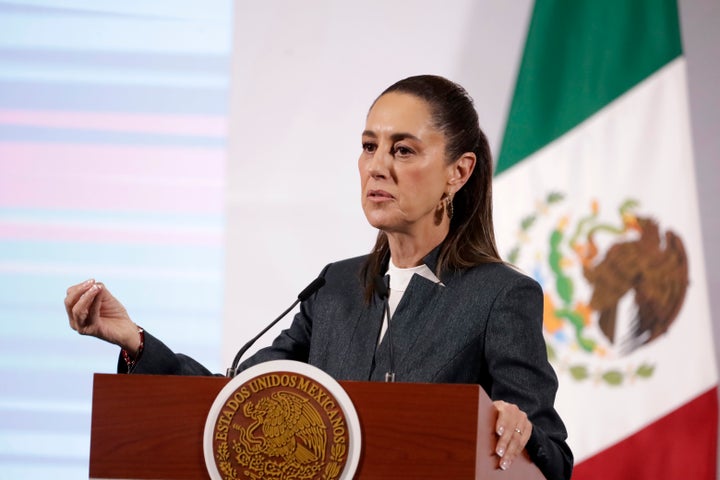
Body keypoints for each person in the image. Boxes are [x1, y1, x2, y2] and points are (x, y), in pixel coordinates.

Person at [65, 75, 573, 480]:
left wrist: (520, 431)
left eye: (403, 150)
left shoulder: (501, 295)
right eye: (369, 146)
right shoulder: (336, 288)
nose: (377, 167)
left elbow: (553, 460)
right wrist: (135, 342)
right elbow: (238, 400)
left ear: (458, 173)